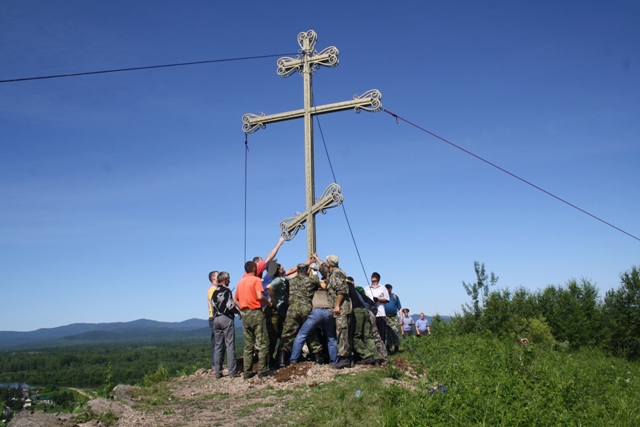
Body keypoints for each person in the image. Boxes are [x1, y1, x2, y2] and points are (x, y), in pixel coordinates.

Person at [277, 262, 321, 367]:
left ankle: (282, 359)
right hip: (306, 308)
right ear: (306, 271)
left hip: (293, 308)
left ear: (297, 271)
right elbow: (316, 280)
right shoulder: (311, 281)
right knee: (311, 332)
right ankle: (317, 357)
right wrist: (314, 270)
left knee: (288, 334)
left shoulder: (291, 281)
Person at [234, 261, 273, 379]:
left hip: (245, 314)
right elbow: (260, 296)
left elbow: (235, 300)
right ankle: (262, 370)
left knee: (248, 344)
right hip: (256, 312)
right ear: (255, 269)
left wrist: (242, 308)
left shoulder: (240, 282)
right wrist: (269, 303)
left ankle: (247, 372)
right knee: (262, 342)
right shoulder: (256, 280)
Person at [313, 253, 352, 369]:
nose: (325, 263)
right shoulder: (331, 272)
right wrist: (315, 258)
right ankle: (346, 358)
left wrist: (337, 306)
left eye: (327, 261)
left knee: (342, 332)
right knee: (341, 332)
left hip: (342, 308)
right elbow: (323, 267)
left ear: (329, 263)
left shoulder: (336, 274)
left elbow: (342, 291)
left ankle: (344, 358)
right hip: (341, 308)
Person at [289, 289, 338, 364]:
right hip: (329, 312)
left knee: (302, 335)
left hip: (317, 312)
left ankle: (293, 360)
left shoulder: (313, 291)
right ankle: (334, 361)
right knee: (331, 338)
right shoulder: (329, 292)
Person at [211, 272, 240, 378]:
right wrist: (238, 312)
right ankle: (232, 371)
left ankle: (217, 372)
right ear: (225, 279)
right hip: (226, 318)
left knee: (218, 346)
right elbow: (230, 305)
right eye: (229, 279)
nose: (229, 281)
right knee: (230, 345)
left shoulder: (214, 292)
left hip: (215, 319)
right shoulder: (227, 291)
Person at [347, 277, 376, 365]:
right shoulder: (356, 290)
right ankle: (376, 357)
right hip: (365, 311)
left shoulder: (346, 289)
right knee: (368, 336)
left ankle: (367, 356)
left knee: (356, 336)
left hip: (357, 312)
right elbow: (369, 301)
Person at [265, 261, 289, 367]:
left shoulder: (281, 278)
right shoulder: (277, 280)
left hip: (278, 310)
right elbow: (269, 287)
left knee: (281, 334)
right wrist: (273, 300)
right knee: (273, 336)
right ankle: (271, 360)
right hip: (275, 310)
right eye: (281, 267)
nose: (283, 268)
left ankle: (279, 358)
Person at [365, 272, 390, 349]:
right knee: (370, 333)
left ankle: (382, 351)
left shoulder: (383, 288)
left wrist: (378, 299)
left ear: (378, 278)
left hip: (380, 314)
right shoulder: (366, 288)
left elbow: (387, 299)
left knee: (380, 333)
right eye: (372, 276)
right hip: (369, 313)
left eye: (375, 276)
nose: (373, 277)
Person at [383, 284, 402, 353]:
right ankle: (388, 347)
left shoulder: (394, 297)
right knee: (386, 333)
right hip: (385, 316)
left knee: (395, 332)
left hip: (394, 317)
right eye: (387, 288)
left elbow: (399, 308)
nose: (388, 289)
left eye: (389, 288)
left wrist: (401, 317)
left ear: (391, 289)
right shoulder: (382, 297)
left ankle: (396, 346)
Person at [207, 271, 219, 369]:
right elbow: (214, 303)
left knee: (217, 341)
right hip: (214, 317)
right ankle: (215, 364)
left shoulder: (214, 288)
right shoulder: (213, 289)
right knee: (216, 342)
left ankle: (216, 364)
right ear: (213, 278)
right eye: (217, 275)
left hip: (214, 317)